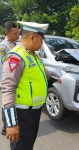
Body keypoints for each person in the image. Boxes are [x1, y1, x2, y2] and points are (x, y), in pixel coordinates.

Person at [1, 21, 60, 150]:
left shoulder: (32, 54)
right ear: (32, 37)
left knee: (28, 145)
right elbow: (7, 89)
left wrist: (56, 78)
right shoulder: (16, 57)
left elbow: (41, 70)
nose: (42, 43)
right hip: (22, 114)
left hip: (33, 112)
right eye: (41, 39)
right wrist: (11, 124)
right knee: (21, 146)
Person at [0, 21, 19, 136]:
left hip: (16, 78)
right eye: (14, 33)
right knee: (7, 102)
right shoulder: (3, 46)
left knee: (14, 101)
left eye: (18, 33)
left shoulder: (16, 44)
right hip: (6, 79)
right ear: (7, 33)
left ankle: (12, 121)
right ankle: (5, 125)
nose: (17, 36)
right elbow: (3, 63)